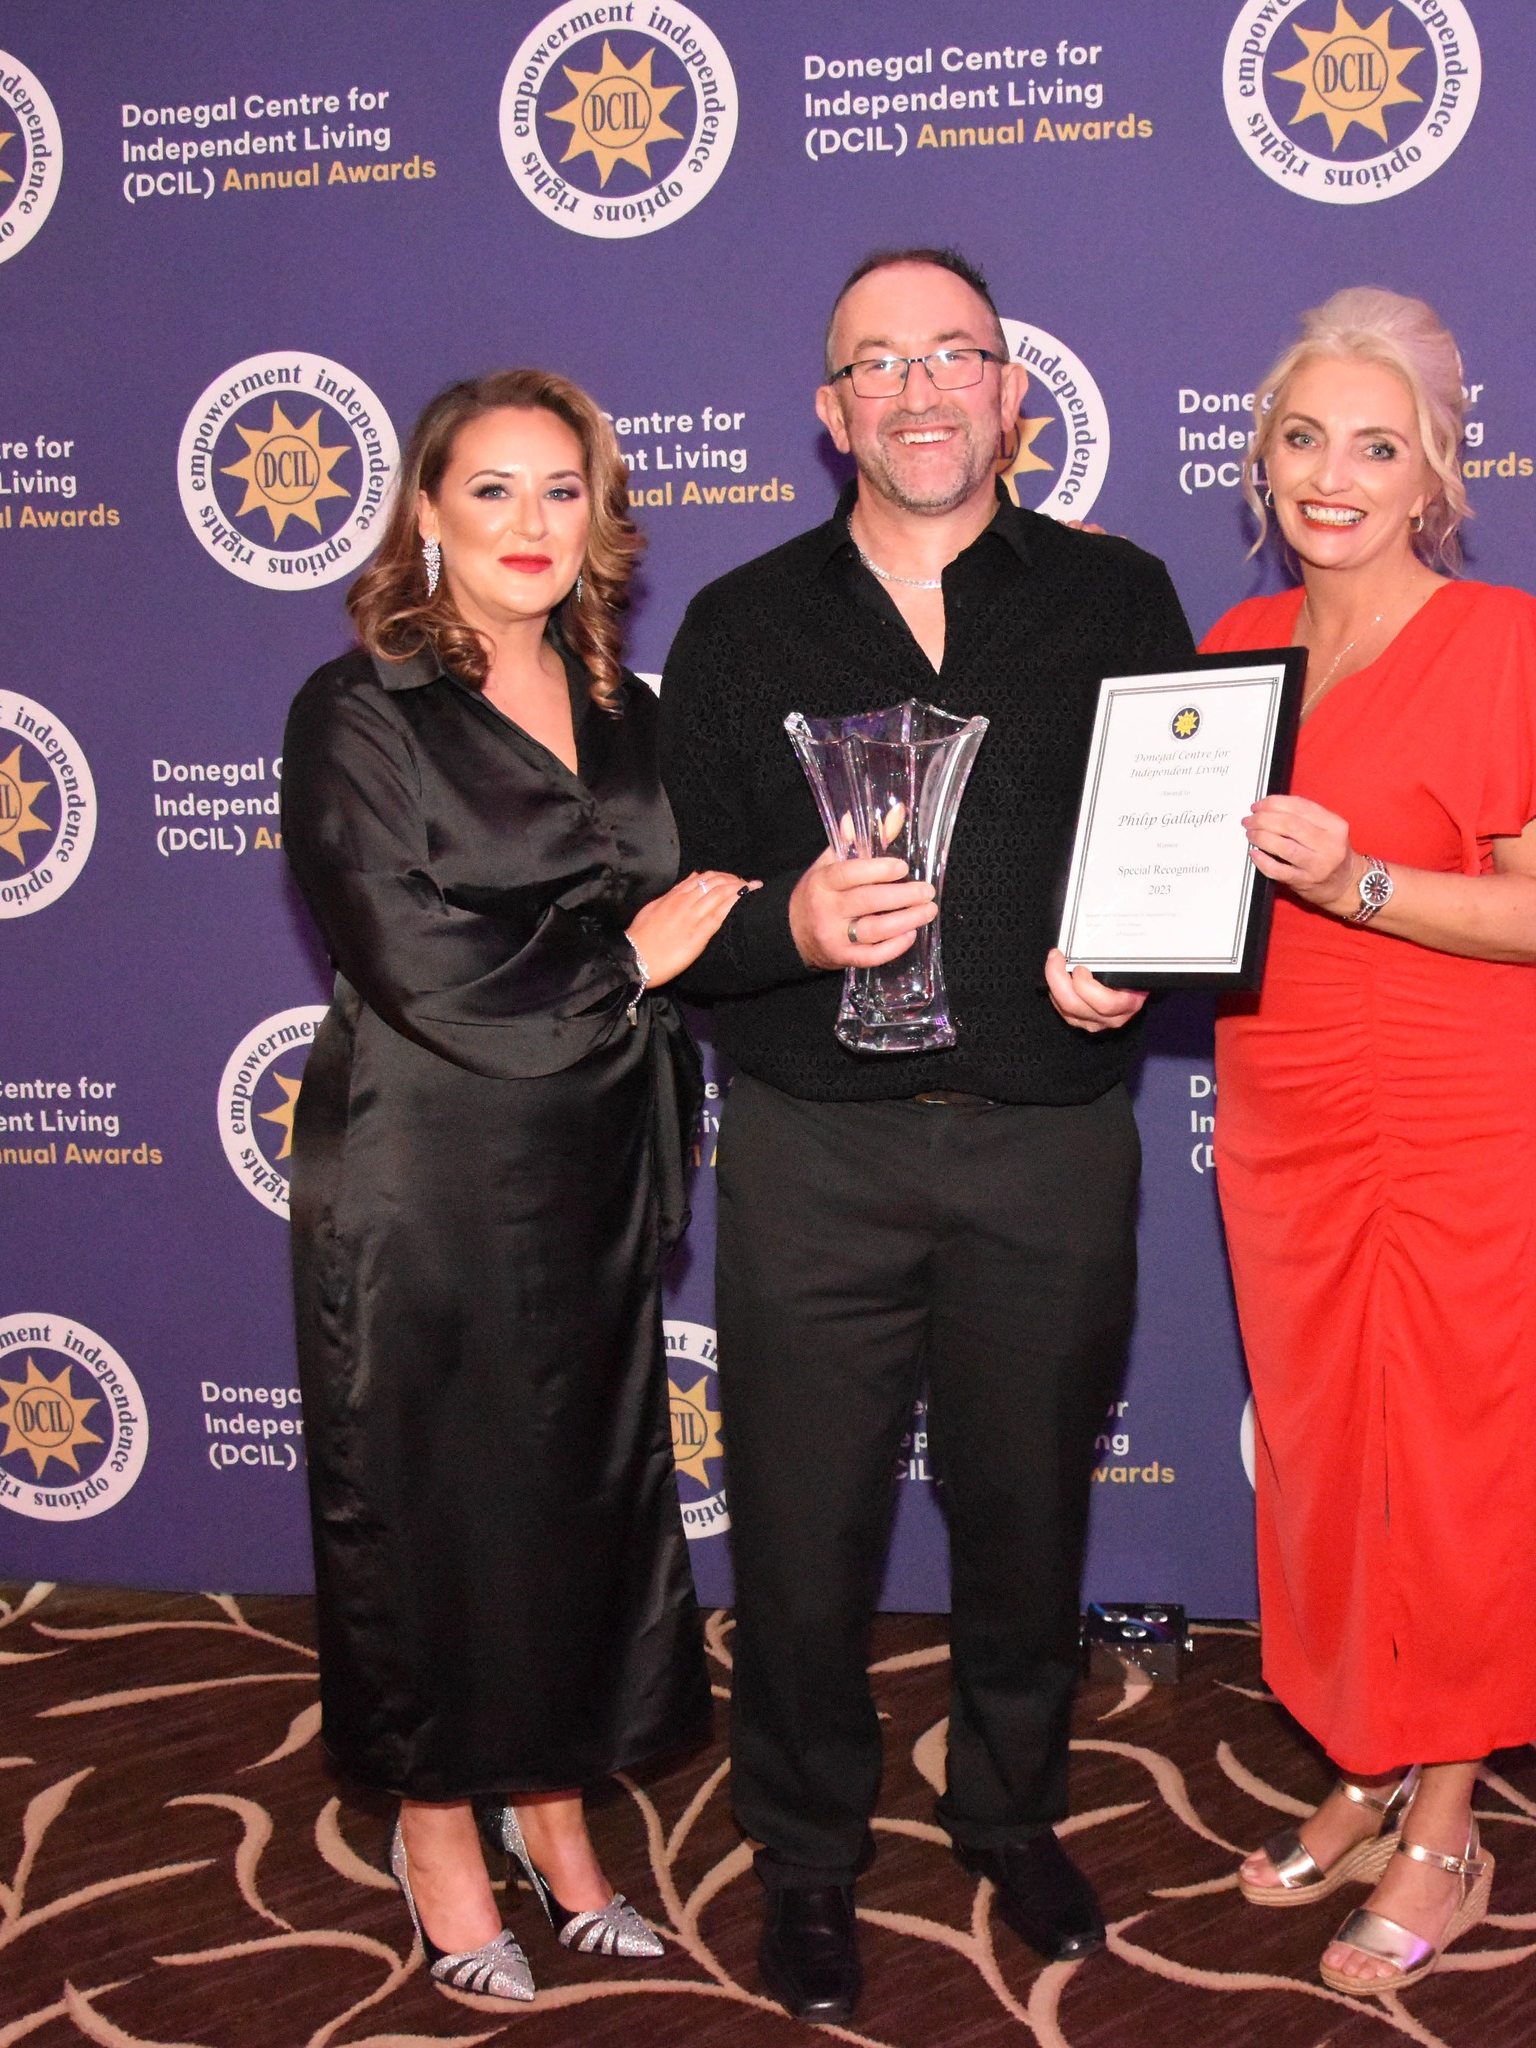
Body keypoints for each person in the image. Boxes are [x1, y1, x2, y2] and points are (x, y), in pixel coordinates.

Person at [657, 248, 1197, 2023]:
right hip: (817, 1153)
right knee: (800, 1533)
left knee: (1028, 1516)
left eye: (953, 355)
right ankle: (808, 1856)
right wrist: (790, 927)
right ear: (832, 413)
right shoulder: (740, 624)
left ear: (1009, 393)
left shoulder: (1117, 595)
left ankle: (1010, 1815)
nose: (918, 390)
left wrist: (1144, 958)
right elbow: (679, 918)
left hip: (1051, 1141)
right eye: (878, 364)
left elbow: (1185, 844)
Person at [281, 369, 754, 1999]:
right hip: (428, 1167)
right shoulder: (362, 709)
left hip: (600, 1160)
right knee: (440, 1505)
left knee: (579, 1495)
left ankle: (556, 1821)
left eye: (564, 489)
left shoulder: (629, 707)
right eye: (493, 489)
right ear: (428, 512)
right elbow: (409, 953)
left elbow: (709, 892)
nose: (531, 523)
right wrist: (628, 960)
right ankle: (434, 1833)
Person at [1200, 289, 1536, 1995]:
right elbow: (1194, 893)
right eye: (1304, 438)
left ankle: (1446, 1816)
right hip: (1283, 1098)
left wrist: (1356, 878)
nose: (1334, 475)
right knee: (1322, 1458)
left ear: (1435, 472)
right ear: (1262, 457)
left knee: (1453, 1463)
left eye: (1377, 447)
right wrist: (1109, 959)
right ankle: (1367, 1760)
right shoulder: (1233, 647)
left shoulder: (1504, 636)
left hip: (1450, 1108)